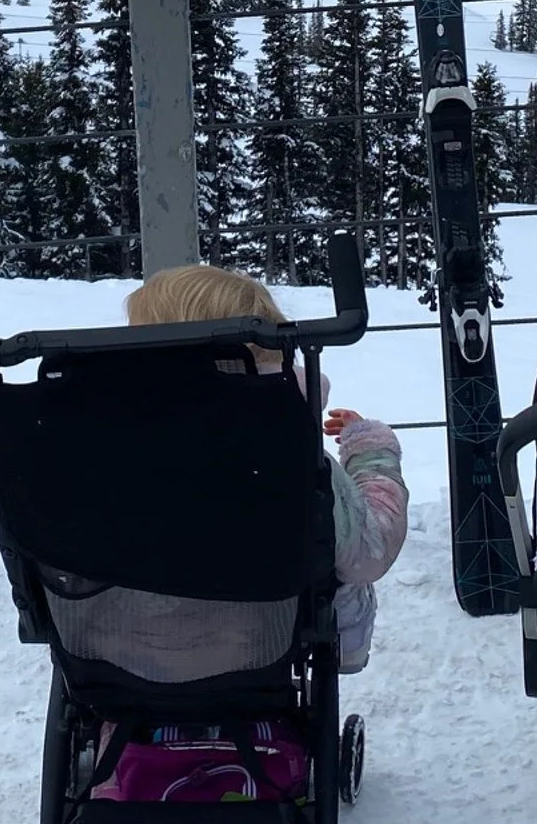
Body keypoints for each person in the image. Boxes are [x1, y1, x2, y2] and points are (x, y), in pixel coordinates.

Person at [123, 264, 409, 667]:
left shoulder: (116, 454)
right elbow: (371, 550)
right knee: (339, 562)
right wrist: (371, 453)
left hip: (132, 648)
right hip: (271, 643)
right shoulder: (286, 455)